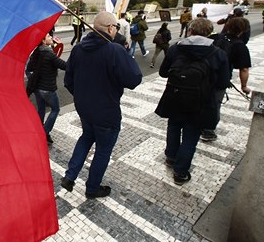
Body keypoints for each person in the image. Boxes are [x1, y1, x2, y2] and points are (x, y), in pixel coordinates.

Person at [60, 11, 142, 199]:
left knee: (86, 137)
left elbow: (68, 80)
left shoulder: (78, 48)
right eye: (116, 27)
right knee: (103, 150)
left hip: (84, 108)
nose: (117, 31)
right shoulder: (114, 50)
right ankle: (92, 188)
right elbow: (134, 78)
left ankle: (70, 176)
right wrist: (127, 55)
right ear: (110, 28)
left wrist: (82, 97)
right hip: (106, 111)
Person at [154, 18, 229, 185]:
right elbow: (223, 83)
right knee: (191, 136)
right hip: (200, 102)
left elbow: (163, 72)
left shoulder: (175, 49)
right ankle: (180, 173)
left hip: (175, 97)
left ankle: (171, 158)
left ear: (190, 31)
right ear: (209, 33)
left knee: (173, 127)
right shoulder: (218, 54)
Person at [201, 17, 252, 142]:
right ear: (243, 30)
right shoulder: (240, 46)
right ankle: (208, 131)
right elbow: (244, 69)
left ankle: (194, 122)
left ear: (227, 26)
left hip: (201, 75)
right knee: (214, 104)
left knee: (200, 99)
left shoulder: (214, 37)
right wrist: (244, 86)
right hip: (219, 80)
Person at [28, 33, 67, 144]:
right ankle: (44, 132)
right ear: (44, 41)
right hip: (47, 89)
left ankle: (39, 130)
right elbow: (65, 66)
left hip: (37, 88)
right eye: (49, 36)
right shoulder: (49, 54)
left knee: (41, 109)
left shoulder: (37, 52)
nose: (51, 37)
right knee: (55, 109)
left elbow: (30, 67)